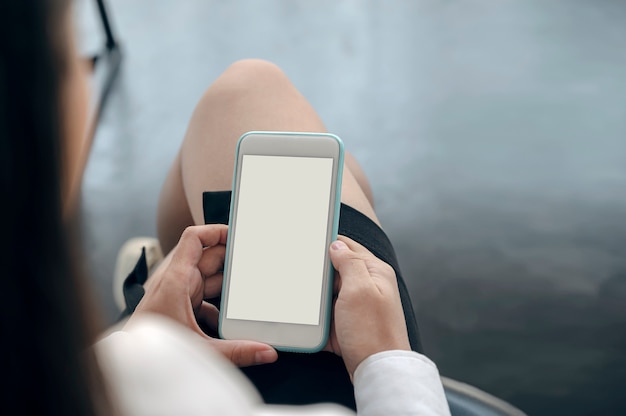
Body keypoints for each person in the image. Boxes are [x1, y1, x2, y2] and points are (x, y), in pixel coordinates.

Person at [0, 0, 450, 414]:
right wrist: (387, 360)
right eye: (73, 55)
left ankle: (155, 279)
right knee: (251, 90)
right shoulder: (149, 372)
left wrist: (128, 334)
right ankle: (159, 273)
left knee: (308, 158)